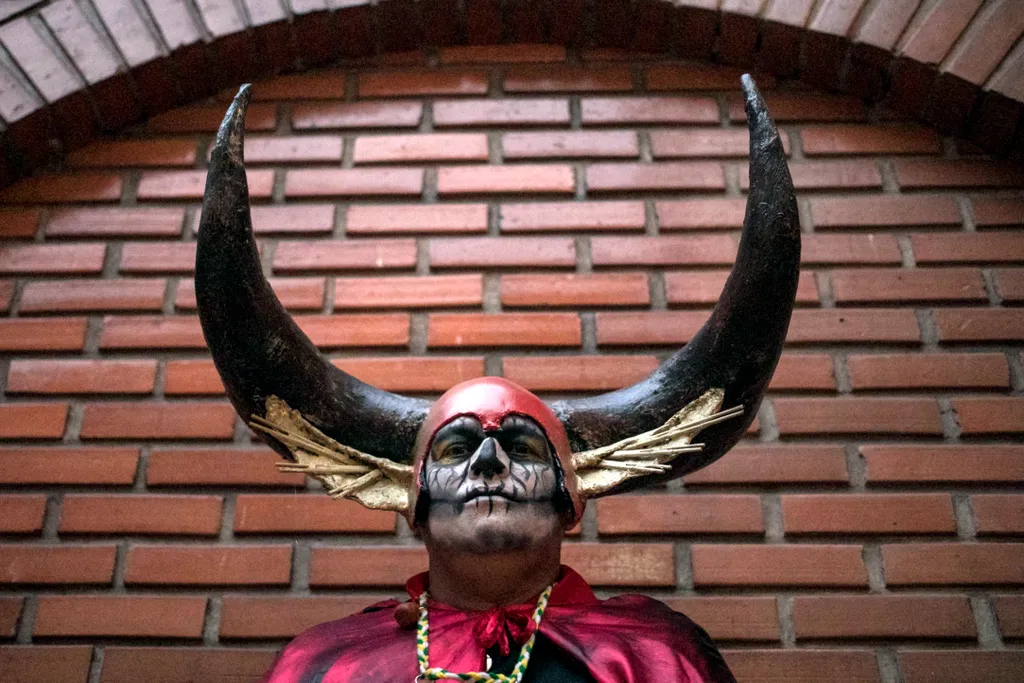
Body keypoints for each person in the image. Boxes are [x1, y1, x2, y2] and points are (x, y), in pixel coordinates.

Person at [195, 74, 800, 683]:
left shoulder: (661, 656)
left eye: (525, 447)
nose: (489, 462)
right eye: (456, 447)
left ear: (573, 500)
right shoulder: (325, 664)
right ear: (413, 502)